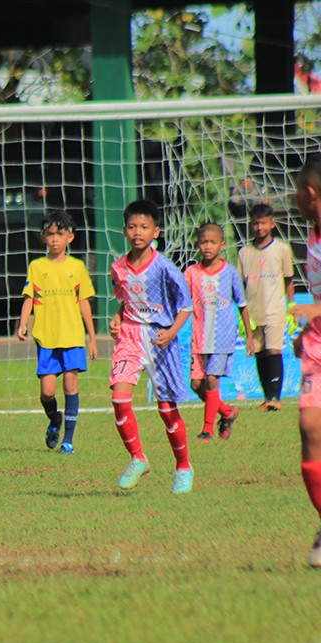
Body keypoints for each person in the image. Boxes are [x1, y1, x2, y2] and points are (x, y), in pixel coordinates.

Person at [108, 199, 194, 494]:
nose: (137, 232)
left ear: (155, 231)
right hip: (130, 337)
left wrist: (171, 333)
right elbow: (125, 300)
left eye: (144, 227)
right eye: (132, 226)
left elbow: (186, 305)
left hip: (159, 339)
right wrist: (117, 317)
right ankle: (137, 458)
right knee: (119, 399)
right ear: (124, 230)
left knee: (167, 409)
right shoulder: (118, 267)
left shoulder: (165, 268)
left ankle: (183, 466)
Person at [17, 210, 98, 455]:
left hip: (72, 336)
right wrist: (23, 323)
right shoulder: (37, 266)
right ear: (43, 238)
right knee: (47, 392)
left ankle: (68, 441)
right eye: (50, 234)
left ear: (69, 238)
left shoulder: (77, 267)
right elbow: (29, 297)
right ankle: (55, 419)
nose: (54, 239)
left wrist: (92, 338)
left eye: (59, 234)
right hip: (46, 336)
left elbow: (84, 302)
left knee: (70, 386)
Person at [183, 223, 253, 442]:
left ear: (222, 245)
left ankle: (207, 430)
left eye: (212, 242)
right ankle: (227, 412)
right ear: (197, 244)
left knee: (212, 379)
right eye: (203, 242)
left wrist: (249, 336)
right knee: (196, 385)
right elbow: (183, 304)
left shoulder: (230, 273)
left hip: (222, 338)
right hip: (198, 338)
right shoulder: (191, 273)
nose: (207, 246)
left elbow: (242, 304)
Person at [288, 155, 321, 566]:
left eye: (296, 191)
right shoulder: (312, 234)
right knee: (310, 425)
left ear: (310, 193)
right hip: (317, 345)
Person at [238, 203, 294, 411]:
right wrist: (242, 315)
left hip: (276, 310)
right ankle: (267, 397)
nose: (259, 227)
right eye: (255, 223)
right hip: (253, 313)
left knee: (273, 350)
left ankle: (275, 398)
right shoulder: (244, 252)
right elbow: (241, 286)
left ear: (272, 224)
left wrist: (292, 306)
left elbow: (288, 280)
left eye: (263, 223)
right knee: (260, 354)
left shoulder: (282, 249)